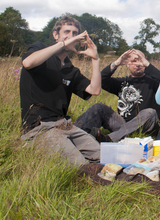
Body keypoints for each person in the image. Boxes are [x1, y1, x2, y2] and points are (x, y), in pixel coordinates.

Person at [20, 16, 101, 166]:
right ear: (55, 35)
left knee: (103, 155)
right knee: (80, 165)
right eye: (67, 32)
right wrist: (63, 43)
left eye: (75, 33)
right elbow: (28, 63)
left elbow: (94, 90)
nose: (72, 36)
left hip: (65, 126)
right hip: (39, 129)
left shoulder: (70, 70)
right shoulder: (39, 50)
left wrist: (95, 59)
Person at [74, 49, 160, 142]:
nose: (137, 64)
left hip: (147, 125)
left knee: (150, 112)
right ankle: (74, 134)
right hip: (123, 125)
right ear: (127, 64)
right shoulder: (122, 83)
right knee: (99, 107)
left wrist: (147, 65)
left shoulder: (154, 81)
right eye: (133, 61)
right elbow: (101, 79)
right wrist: (117, 63)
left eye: (140, 60)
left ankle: (109, 139)